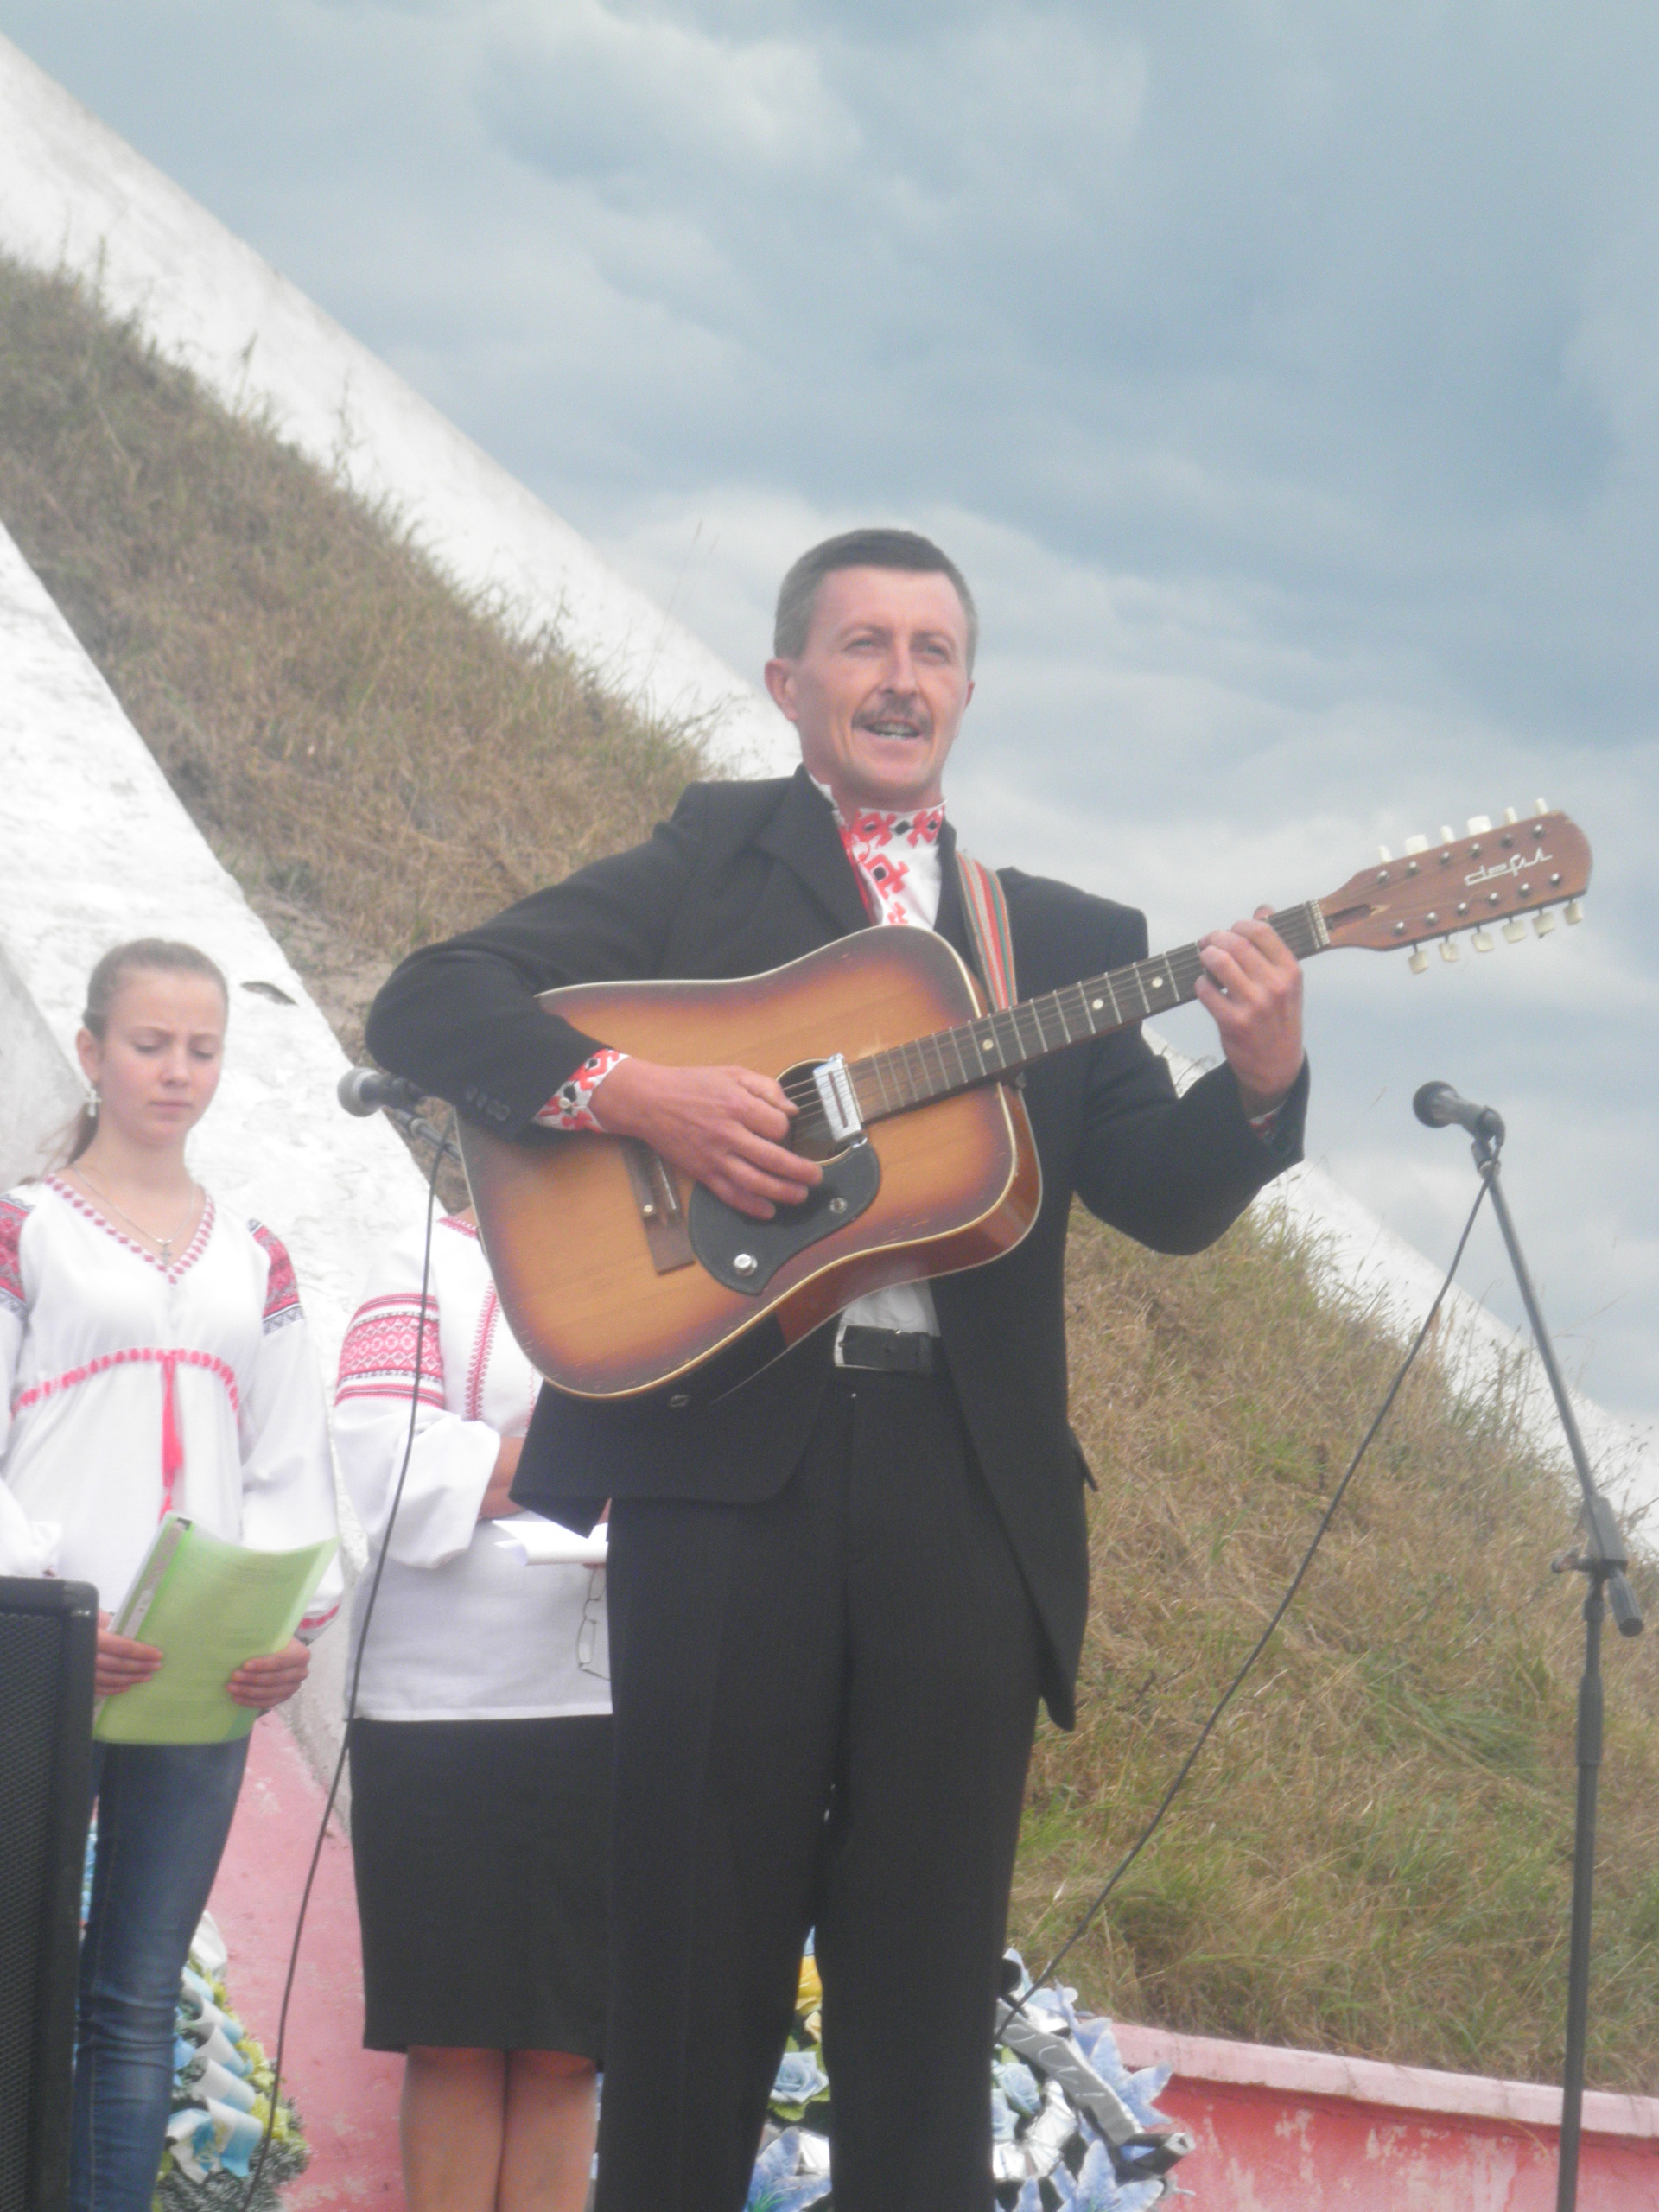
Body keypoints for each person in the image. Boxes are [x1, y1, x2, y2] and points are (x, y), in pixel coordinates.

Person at [364, 528, 1308, 2212]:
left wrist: (1260, 1077)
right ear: (791, 681)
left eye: (934, 647)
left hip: (966, 1499)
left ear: (965, 688)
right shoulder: (712, 862)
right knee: (686, 1977)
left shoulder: (1063, 939)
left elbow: (1161, 1199)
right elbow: (435, 1002)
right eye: (864, 642)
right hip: (729, 1483)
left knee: (925, 2003)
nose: (901, 675)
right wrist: (635, 1091)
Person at [0, 938, 340, 2212]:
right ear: (91, 1052)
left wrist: (291, 1623)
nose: (178, 1070)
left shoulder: (256, 1254)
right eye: (151, 1043)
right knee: (14, 1975)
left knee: (134, 1995)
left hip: (201, 1667)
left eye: (203, 1048)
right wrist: (42, 1612)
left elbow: (288, 1460)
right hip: (39, 1655)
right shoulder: (24, 1229)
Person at [333, 1205, 611, 2212]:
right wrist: (592, 1465)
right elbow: (386, 1462)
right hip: (434, 1704)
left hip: (607, 1696)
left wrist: (506, 1460)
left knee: (564, 2048)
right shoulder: (424, 1259)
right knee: (449, 2035)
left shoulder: (657, 1256)